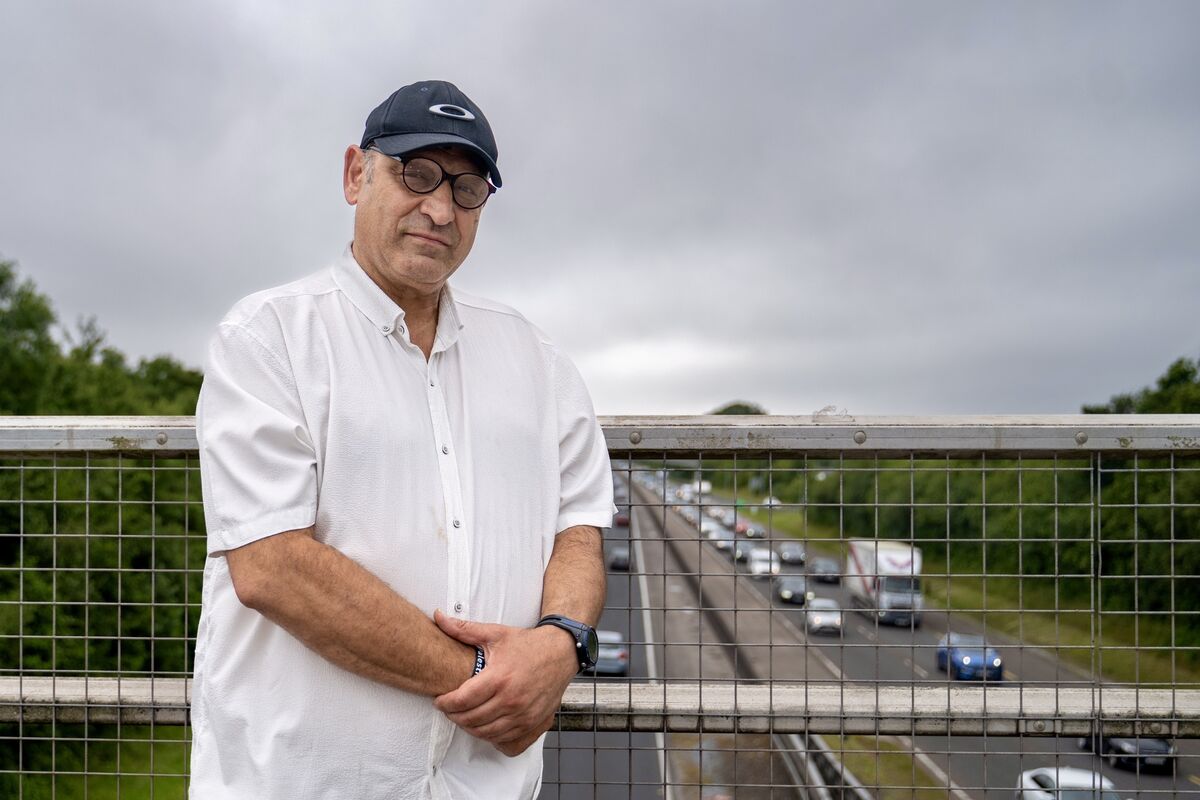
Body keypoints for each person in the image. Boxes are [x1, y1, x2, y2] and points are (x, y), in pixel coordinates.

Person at [190, 80, 613, 800]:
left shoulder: (537, 359)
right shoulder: (269, 339)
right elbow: (271, 564)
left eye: (468, 187)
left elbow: (579, 529)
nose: (440, 208)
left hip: (484, 787)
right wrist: (497, 684)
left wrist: (562, 640)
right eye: (415, 174)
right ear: (357, 173)